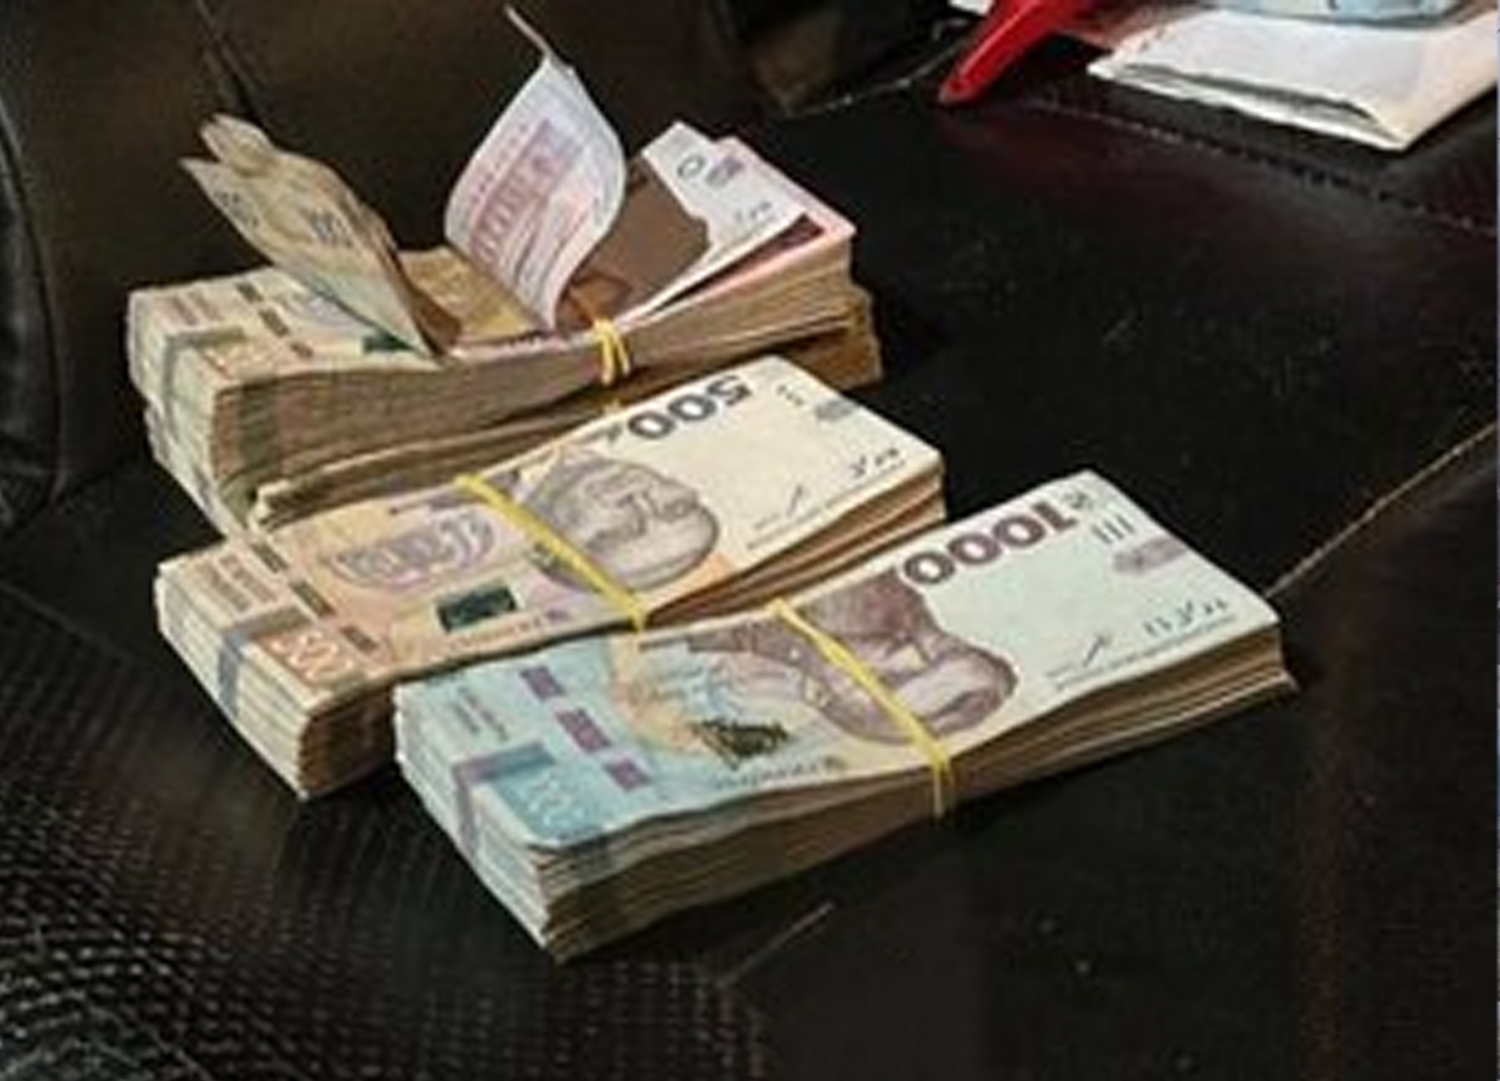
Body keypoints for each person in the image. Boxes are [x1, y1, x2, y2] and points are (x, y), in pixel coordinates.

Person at [669, 568, 1015, 748]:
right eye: (945, 653)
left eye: (900, 677)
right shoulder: (894, 606)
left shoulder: (710, 641)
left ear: (819, 694)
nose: (915, 649)